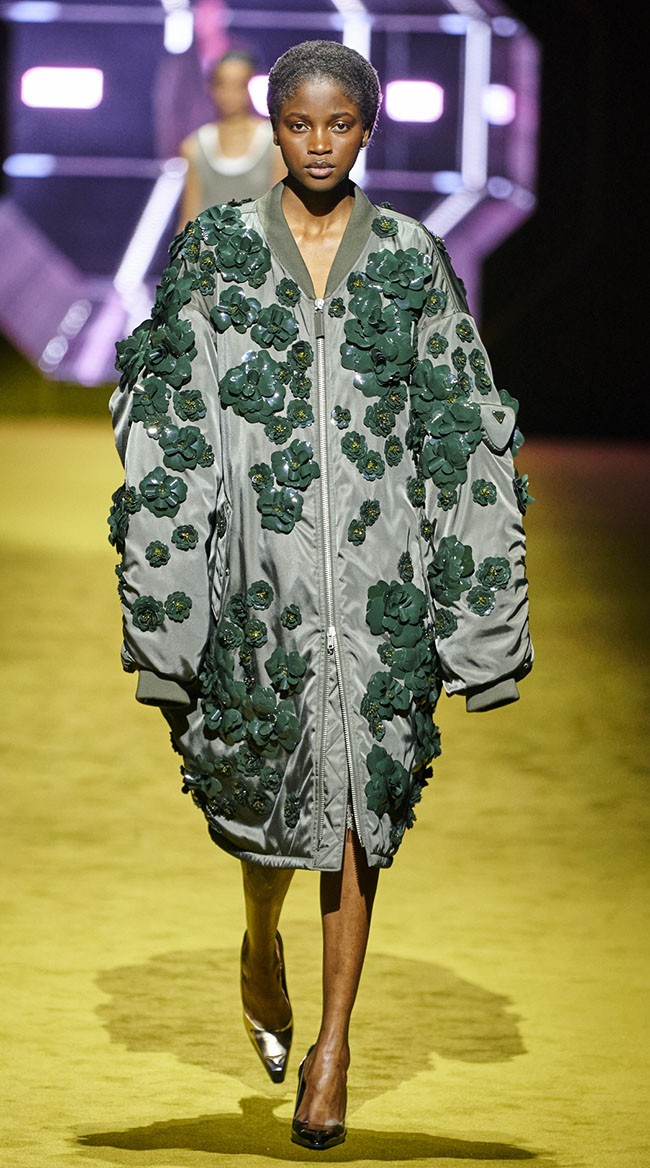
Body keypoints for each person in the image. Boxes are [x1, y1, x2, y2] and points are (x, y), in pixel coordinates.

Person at [108, 39, 533, 1151]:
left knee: (357, 804)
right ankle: (261, 939)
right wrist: (167, 602)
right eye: (298, 124)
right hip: (260, 579)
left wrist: (479, 618)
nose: (317, 144)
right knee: (265, 804)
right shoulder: (216, 254)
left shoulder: (409, 259)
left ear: (366, 130)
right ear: (275, 126)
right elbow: (169, 418)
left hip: (383, 582)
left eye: (338, 124)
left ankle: (334, 1047)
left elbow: (461, 426)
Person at [177, 49, 285, 230]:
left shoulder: (275, 143)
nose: (230, 94)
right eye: (222, 84)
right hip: (208, 247)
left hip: (260, 246)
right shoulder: (194, 146)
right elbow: (190, 215)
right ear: (211, 88)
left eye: (239, 85)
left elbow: (280, 213)